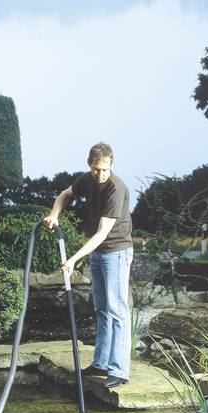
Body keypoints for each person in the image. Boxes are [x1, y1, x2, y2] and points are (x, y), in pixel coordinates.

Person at [44, 142, 133, 388]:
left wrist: (73, 259)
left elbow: (102, 233)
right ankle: (101, 363)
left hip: (116, 251)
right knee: (102, 308)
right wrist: (54, 214)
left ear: (111, 164)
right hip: (99, 252)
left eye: (105, 169)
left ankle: (119, 370)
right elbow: (65, 194)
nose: (100, 174)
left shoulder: (116, 189)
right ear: (89, 165)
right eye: (96, 169)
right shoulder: (87, 180)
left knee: (117, 310)